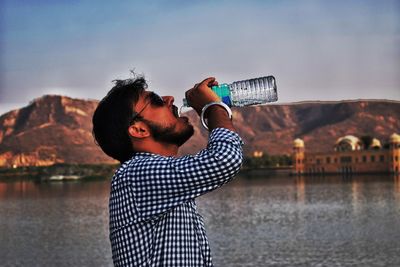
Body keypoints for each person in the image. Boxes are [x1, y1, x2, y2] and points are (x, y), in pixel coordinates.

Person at [92, 74, 244, 266]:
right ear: (139, 130)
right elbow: (225, 159)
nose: (169, 98)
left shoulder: (157, 177)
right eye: (155, 101)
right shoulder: (136, 174)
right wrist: (213, 107)